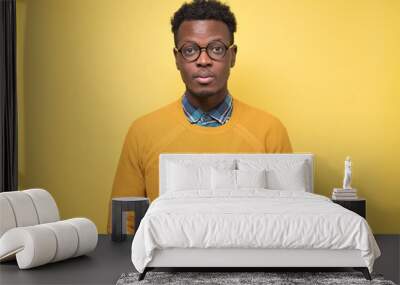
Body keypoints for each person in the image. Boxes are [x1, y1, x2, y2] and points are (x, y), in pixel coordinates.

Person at [108, 0, 292, 233]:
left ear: (232, 56)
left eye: (216, 49)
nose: (203, 60)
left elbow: (288, 224)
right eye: (190, 50)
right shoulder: (142, 131)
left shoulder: (270, 130)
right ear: (177, 58)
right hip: (163, 266)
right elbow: (124, 229)